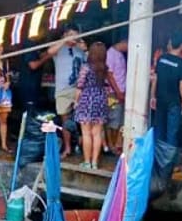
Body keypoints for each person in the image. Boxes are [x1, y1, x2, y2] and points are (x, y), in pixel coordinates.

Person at [75, 42, 123, 169]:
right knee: (97, 133)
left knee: (86, 133)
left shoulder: (85, 68)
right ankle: (95, 162)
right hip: (101, 99)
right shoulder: (105, 69)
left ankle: (87, 161)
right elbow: (108, 85)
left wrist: (76, 101)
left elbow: (79, 87)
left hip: (87, 99)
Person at [48, 24, 87, 158]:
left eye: (75, 35)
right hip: (63, 89)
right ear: (65, 35)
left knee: (83, 119)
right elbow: (49, 52)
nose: (73, 38)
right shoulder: (59, 48)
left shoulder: (79, 49)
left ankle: (82, 147)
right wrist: (63, 41)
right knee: (65, 120)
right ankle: (67, 148)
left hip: (80, 89)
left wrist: (85, 50)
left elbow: (91, 64)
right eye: (70, 35)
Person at [151, 32, 182, 147]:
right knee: (172, 132)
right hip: (174, 102)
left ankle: (158, 159)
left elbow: (155, 79)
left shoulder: (161, 58)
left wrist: (153, 96)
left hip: (161, 99)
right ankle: (168, 161)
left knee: (160, 129)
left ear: (171, 44)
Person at [13, 38, 51, 115]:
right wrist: (48, 56)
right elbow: (33, 65)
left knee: (32, 112)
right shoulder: (29, 44)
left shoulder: (34, 44)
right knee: (29, 113)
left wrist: (48, 52)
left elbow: (37, 56)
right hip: (29, 86)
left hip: (32, 85)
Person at [106, 34, 128, 154]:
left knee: (118, 119)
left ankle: (116, 144)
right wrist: (118, 92)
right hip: (113, 93)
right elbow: (109, 75)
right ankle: (111, 145)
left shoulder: (120, 54)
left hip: (120, 92)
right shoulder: (111, 54)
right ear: (124, 42)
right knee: (113, 119)